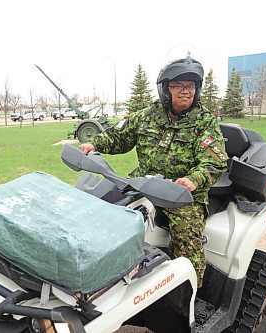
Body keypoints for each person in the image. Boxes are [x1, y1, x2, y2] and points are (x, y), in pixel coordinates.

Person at [79, 56, 228, 288]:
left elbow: (213, 161)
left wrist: (193, 179)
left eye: (190, 86)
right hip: (142, 184)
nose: (185, 91)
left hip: (181, 195)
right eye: (178, 85)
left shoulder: (205, 122)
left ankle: (190, 293)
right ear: (165, 89)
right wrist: (95, 144)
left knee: (187, 239)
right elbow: (119, 136)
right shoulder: (147, 115)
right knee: (105, 214)